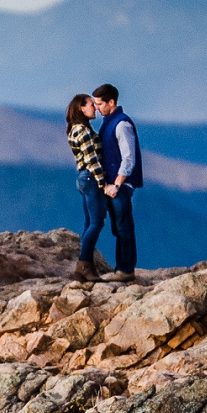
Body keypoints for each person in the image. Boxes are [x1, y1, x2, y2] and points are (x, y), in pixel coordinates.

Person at [93, 83, 142, 279]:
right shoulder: (109, 122)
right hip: (113, 185)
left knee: (123, 226)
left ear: (111, 102)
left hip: (119, 185)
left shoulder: (122, 125)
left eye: (99, 104)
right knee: (118, 226)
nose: (97, 108)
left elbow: (128, 157)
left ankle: (126, 270)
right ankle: (122, 267)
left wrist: (118, 184)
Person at [64, 93, 108, 281]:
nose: (95, 108)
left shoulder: (75, 129)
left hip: (83, 178)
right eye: (91, 104)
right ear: (81, 108)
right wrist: (103, 183)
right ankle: (82, 265)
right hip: (91, 178)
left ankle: (87, 266)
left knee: (89, 223)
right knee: (97, 222)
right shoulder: (83, 131)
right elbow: (92, 161)